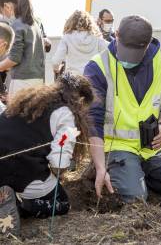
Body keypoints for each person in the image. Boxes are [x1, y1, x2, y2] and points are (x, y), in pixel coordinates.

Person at [84, 15, 161, 203]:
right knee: (136, 199)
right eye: (125, 51)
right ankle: (128, 176)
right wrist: (99, 167)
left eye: (135, 54)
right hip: (118, 147)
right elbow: (93, 121)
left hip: (152, 148)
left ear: (147, 44)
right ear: (116, 35)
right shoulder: (98, 66)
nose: (129, 59)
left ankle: (136, 175)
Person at [0, 73, 93, 236]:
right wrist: (58, 174)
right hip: (24, 172)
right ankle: (21, 205)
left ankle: (6, 199)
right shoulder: (66, 115)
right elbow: (59, 163)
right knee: (62, 202)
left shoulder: (30, 98)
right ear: (81, 100)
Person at [0, 0, 45, 96]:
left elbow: (14, 59)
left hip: (22, 82)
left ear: (7, 6)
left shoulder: (17, 25)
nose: (3, 16)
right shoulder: (35, 24)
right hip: (38, 80)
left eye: (1, 12)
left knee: (15, 112)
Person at [52, 10, 108, 76]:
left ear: (71, 22)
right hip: (92, 78)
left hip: (73, 79)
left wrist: (56, 68)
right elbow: (109, 51)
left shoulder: (67, 37)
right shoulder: (96, 38)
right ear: (90, 22)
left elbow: (56, 61)